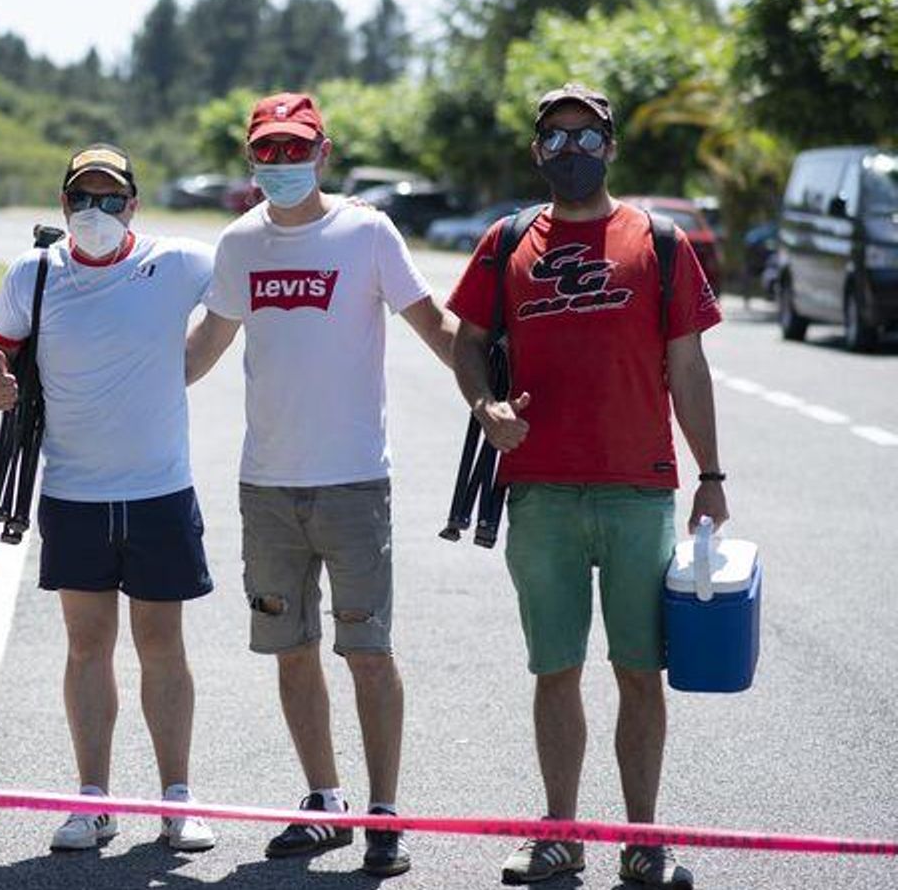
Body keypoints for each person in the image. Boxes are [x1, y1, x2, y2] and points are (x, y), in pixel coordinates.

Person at [446, 83, 724, 889]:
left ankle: (645, 841)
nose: (572, 153)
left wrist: (710, 477)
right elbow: (470, 342)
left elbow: (689, 368)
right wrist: (486, 405)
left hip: (639, 491)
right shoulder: (506, 242)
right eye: (557, 141)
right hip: (538, 493)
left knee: (640, 671)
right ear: (538, 152)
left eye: (587, 138)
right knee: (555, 669)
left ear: (611, 146)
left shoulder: (660, 241)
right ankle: (560, 832)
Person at [184, 92, 459, 878]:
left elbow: (432, 321)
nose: (281, 164)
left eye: (294, 149)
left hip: (353, 484)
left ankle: (383, 813)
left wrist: (486, 387)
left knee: (366, 651)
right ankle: (324, 802)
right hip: (267, 486)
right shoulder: (239, 244)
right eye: (267, 152)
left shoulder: (367, 231)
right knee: (291, 649)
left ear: (323, 152)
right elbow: (200, 349)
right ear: (251, 159)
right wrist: (104, 380)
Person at [0, 143, 217, 853]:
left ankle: (177, 799)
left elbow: (245, 288)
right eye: (84, 198)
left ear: (133, 204)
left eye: (111, 199)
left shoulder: (177, 262)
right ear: (64, 207)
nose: (97, 211)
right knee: (87, 647)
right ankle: (93, 800)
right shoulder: (36, 273)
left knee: (162, 646)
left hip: (159, 491)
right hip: (74, 492)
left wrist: (194, 360)